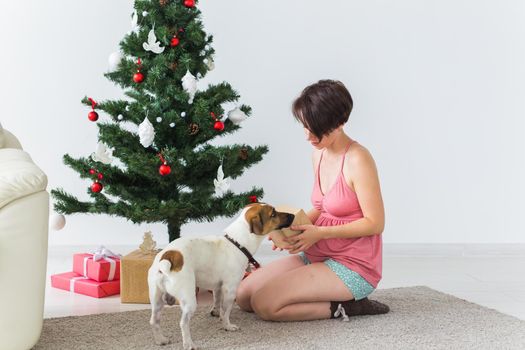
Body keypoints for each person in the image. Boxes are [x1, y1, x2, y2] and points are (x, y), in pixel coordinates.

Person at [235, 79, 389, 321]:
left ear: (340, 123)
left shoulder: (358, 160)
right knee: (244, 296)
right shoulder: (318, 154)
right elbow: (321, 207)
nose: (308, 136)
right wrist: (290, 231)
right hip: (318, 254)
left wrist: (319, 234)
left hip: (352, 265)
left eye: (315, 128)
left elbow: (375, 223)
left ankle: (349, 306)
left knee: (265, 305)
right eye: (305, 127)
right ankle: (314, 288)